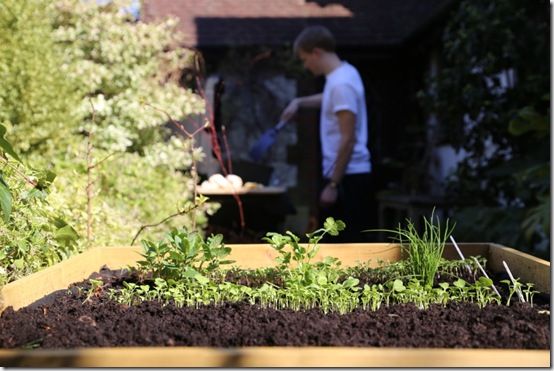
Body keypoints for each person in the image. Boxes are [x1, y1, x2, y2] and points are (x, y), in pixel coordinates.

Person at [280, 25, 375, 242]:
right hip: (343, 175)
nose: (306, 65)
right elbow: (331, 99)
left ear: (317, 52)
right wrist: (300, 102)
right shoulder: (344, 73)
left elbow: (348, 138)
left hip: (348, 178)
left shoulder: (342, 84)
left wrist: (332, 184)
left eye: (305, 59)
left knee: (345, 247)